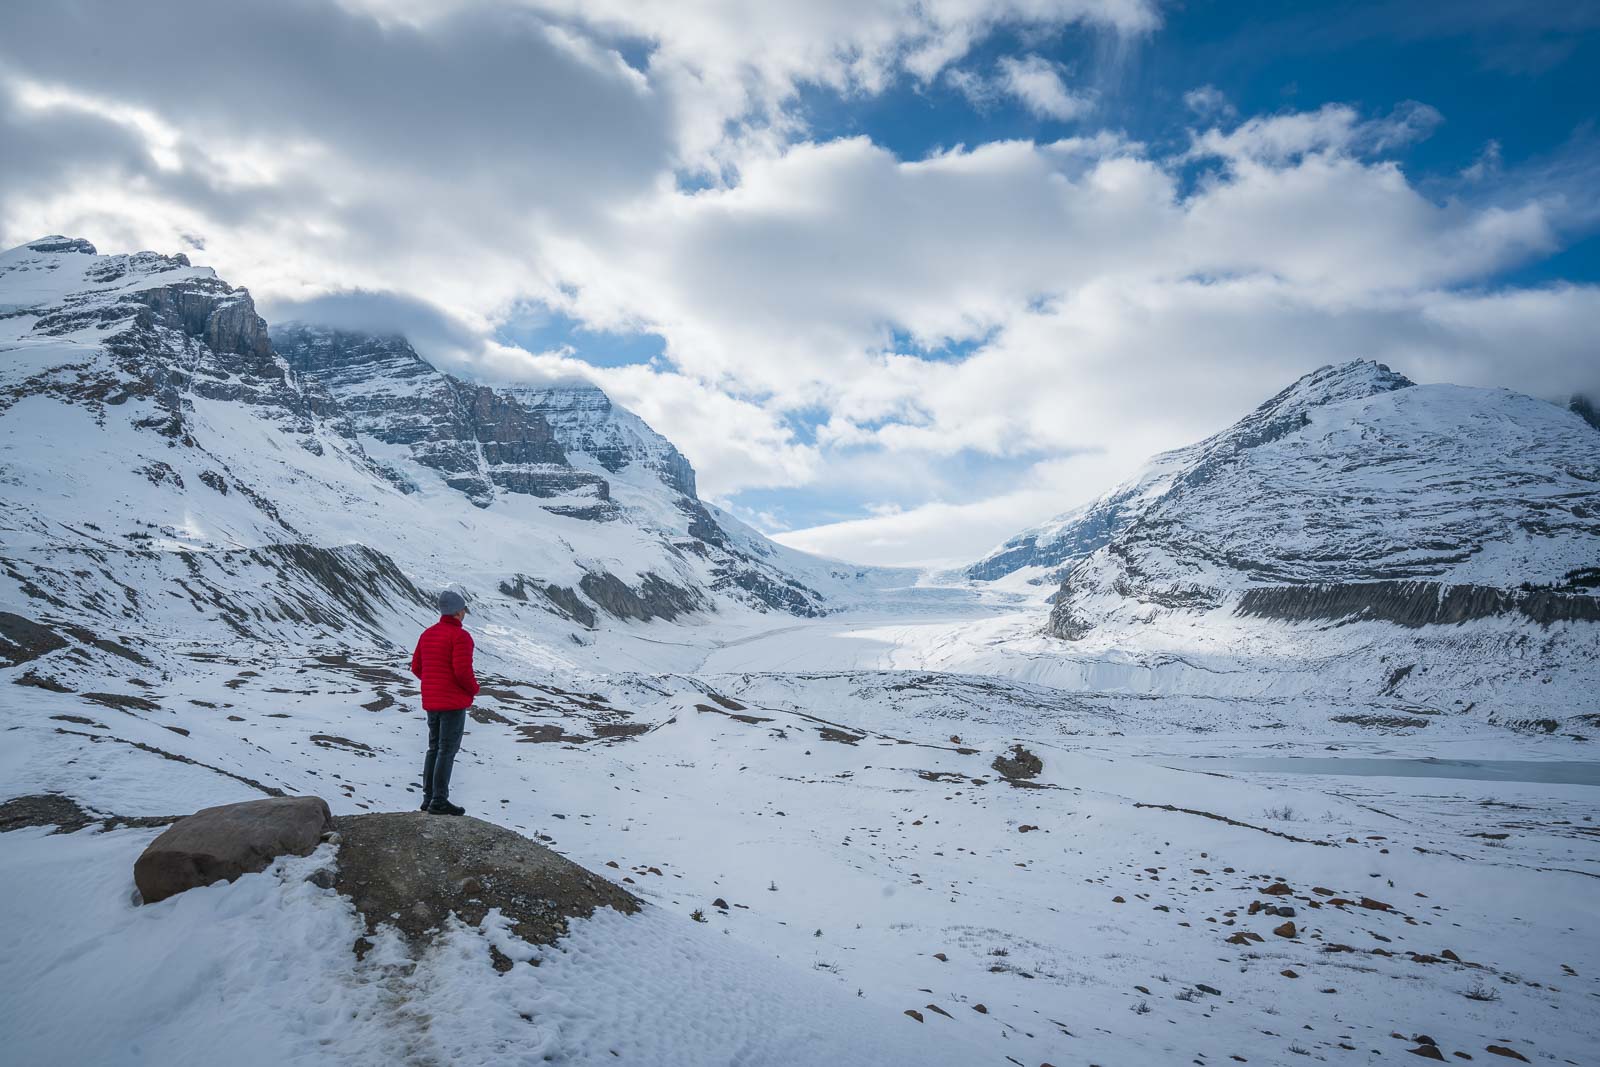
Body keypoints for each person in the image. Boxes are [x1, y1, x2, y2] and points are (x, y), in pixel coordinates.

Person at [410, 589, 479, 816]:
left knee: (434, 748)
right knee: (447, 750)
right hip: (452, 703)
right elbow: (462, 672)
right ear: (458, 612)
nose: (464, 614)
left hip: (432, 701)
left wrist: (434, 684)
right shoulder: (460, 637)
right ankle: (439, 799)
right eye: (463, 610)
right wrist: (473, 689)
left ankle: (428, 798)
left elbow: (417, 668)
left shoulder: (427, 634)